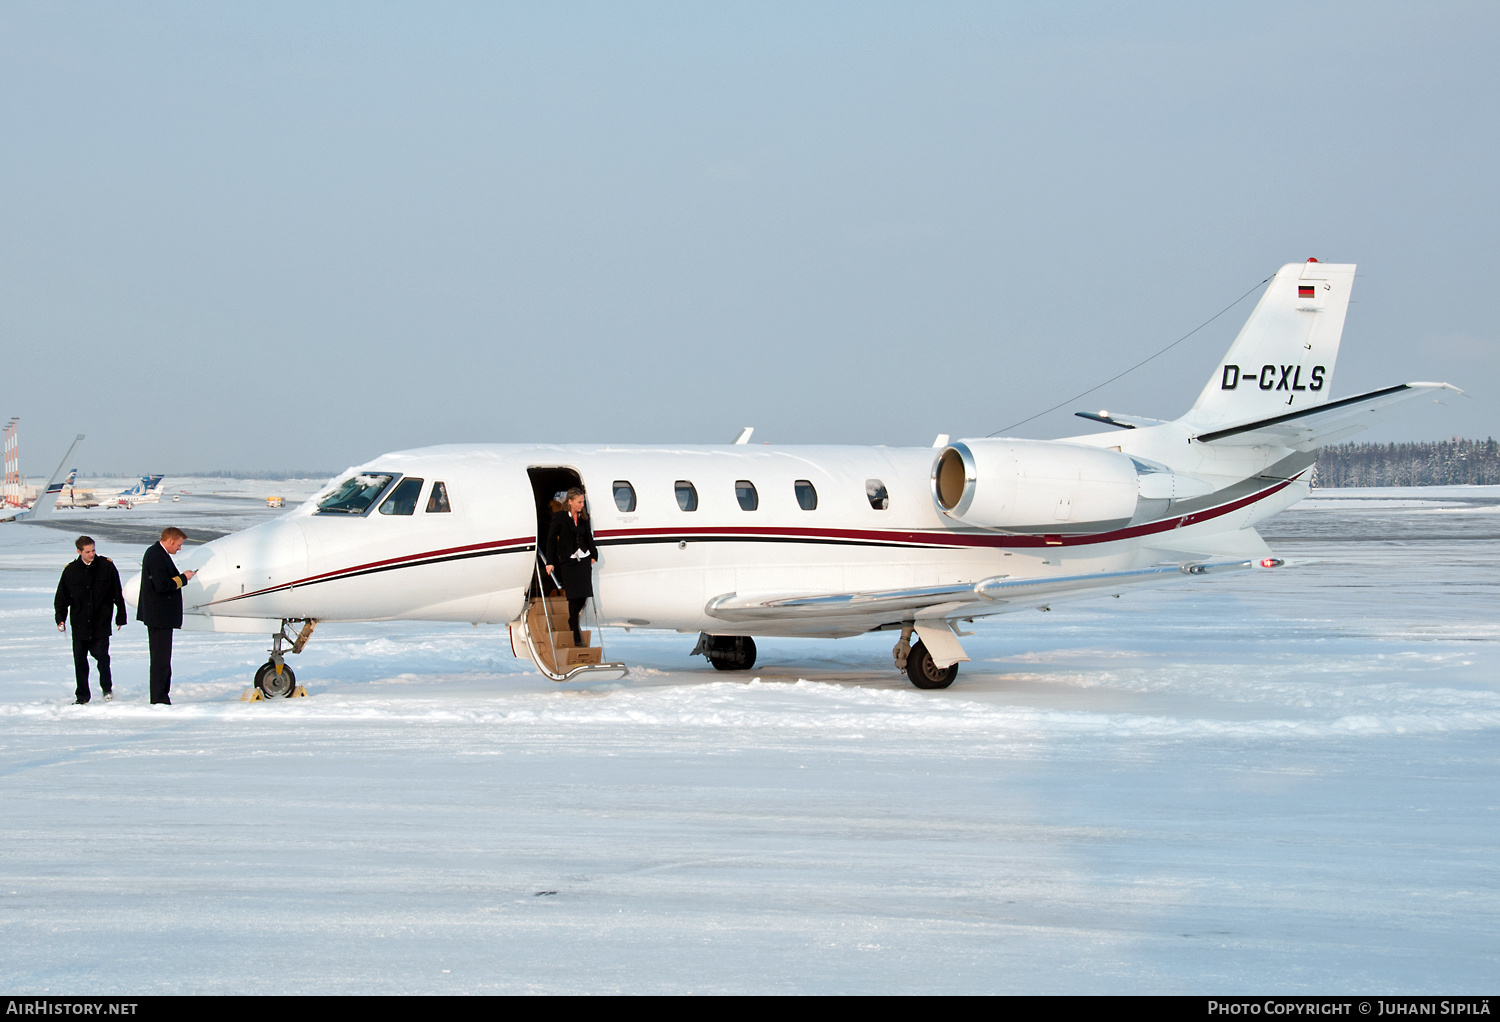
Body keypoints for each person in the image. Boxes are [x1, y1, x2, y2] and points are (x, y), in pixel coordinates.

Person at [54, 535, 127, 704]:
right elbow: (61, 598)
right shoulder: (70, 571)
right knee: (80, 662)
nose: (91, 554)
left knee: (102, 657)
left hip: (101, 622)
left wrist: (120, 616)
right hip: (79, 623)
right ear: (79, 551)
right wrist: (60, 618)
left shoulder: (106, 566)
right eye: (87, 552)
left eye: (93, 550)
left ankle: (107, 688)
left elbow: (117, 593)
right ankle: (82, 696)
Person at [137, 526, 196, 705]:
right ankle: (159, 698)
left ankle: (161, 695)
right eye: (178, 545)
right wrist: (183, 578)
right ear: (170, 541)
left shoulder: (158, 553)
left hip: (161, 617)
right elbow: (162, 585)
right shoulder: (156, 555)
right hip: (159, 616)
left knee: (162, 659)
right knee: (160, 660)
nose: (179, 549)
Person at [544, 486, 597, 646]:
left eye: (583, 502)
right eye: (579, 502)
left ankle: (572, 619)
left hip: (584, 559)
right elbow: (551, 539)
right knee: (573, 597)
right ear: (570, 501)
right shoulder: (560, 517)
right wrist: (550, 561)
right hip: (568, 561)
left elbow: (589, 537)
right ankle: (575, 632)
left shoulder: (583, 518)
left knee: (584, 595)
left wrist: (594, 555)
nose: (582, 505)